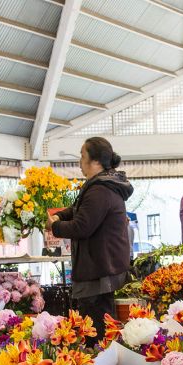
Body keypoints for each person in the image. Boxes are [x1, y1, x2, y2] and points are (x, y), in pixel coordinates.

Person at [46, 137, 133, 342]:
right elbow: (79, 210)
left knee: (96, 333)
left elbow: (82, 227)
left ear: (95, 161)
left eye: (82, 156)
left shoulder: (100, 189)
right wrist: (60, 215)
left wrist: (54, 226)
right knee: (99, 328)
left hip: (98, 272)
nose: (79, 161)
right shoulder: (102, 184)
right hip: (103, 268)